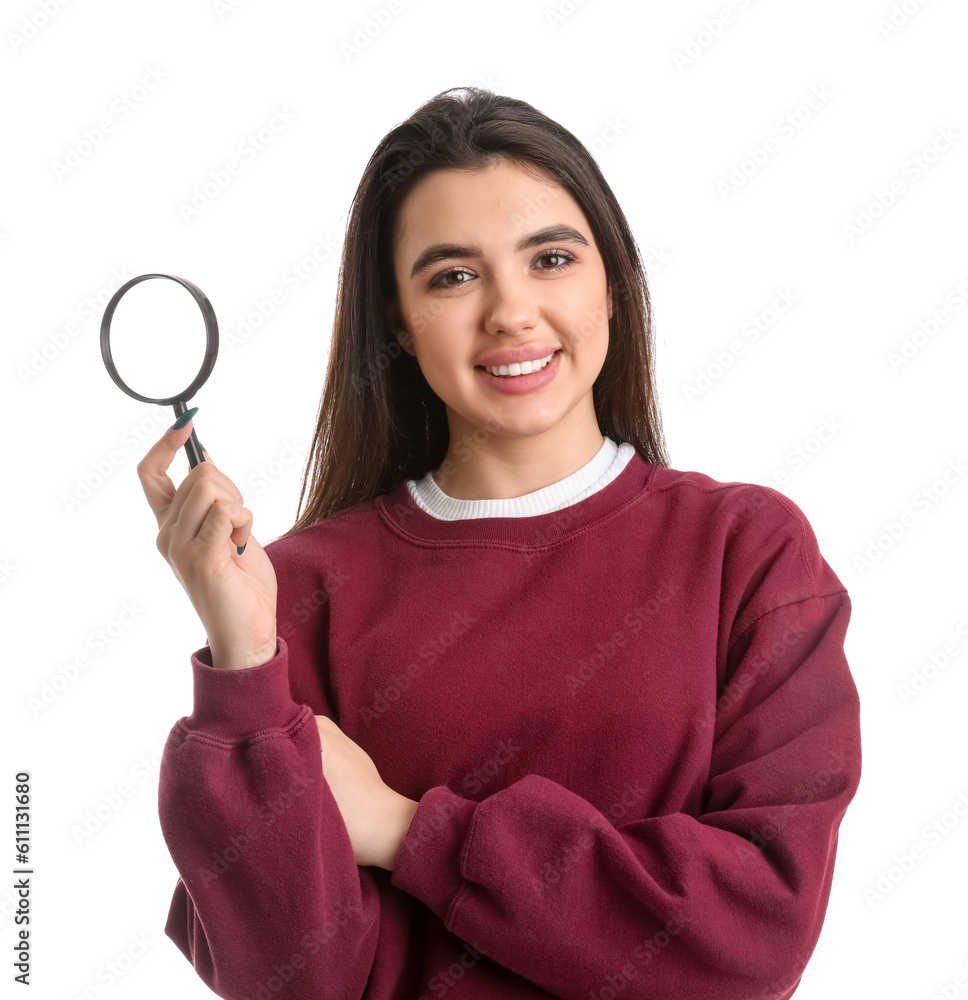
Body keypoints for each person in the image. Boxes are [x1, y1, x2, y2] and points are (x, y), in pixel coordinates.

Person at [139, 86, 862, 1000]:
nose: (511, 313)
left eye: (551, 258)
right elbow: (298, 980)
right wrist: (245, 659)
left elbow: (752, 940)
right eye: (452, 276)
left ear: (613, 280)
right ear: (398, 321)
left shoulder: (747, 553)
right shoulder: (302, 591)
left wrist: (409, 834)